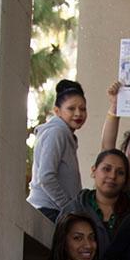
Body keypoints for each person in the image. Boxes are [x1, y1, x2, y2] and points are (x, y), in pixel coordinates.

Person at [59, 149, 130, 258]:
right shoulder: (73, 210)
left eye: (120, 172)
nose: (112, 176)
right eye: (106, 169)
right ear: (93, 171)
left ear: (125, 179)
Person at [27, 79, 86, 220]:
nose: (78, 113)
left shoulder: (67, 134)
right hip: (48, 212)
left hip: (57, 211)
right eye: (71, 109)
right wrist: (68, 208)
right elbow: (46, 177)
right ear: (57, 111)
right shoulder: (56, 132)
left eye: (83, 109)